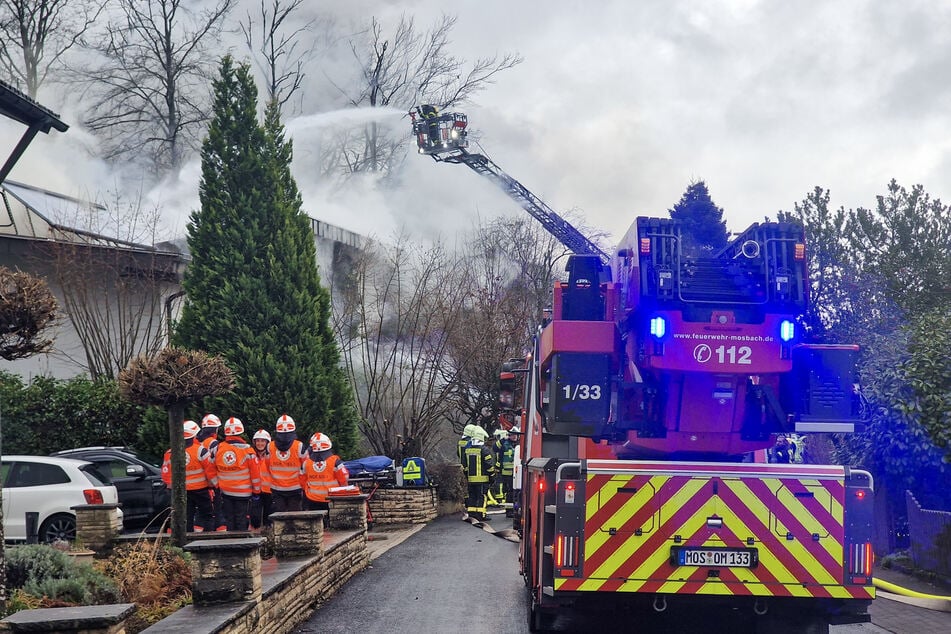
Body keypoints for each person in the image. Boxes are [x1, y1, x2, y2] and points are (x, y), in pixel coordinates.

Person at [161, 420, 218, 532]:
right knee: (207, 516)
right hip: (201, 490)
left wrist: (171, 489)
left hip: (182, 491)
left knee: (187, 517)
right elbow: (210, 470)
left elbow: (165, 473)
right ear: (195, 435)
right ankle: (210, 539)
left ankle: (187, 541)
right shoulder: (201, 451)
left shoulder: (170, 453)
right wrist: (215, 485)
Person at [214, 417, 261, 531]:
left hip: (225, 492)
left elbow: (212, 467)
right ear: (241, 431)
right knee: (241, 520)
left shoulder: (219, 448)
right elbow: (255, 474)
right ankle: (242, 545)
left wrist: (216, 485)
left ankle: (230, 545)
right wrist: (257, 492)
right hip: (243, 493)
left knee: (229, 519)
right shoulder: (248, 450)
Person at [300, 432, 349, 525]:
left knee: (316, 525)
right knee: (331, 525)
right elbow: (344, 477)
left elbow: (302, 481)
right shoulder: (335, 461)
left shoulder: (306, 463)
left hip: (312, 499)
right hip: (331, 498)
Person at [269, 414, 308, 512]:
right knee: (295, 518)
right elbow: (306, 467)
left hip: (277, 488)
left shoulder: (270, 446)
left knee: (279, 519)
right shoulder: (299, 446)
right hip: (295, 488)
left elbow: (267, 465)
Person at [461, 426, 496, 521]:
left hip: (471, 479)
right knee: (481, 497)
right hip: (482, 480)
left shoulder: (467, 449)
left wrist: (467, 476)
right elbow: (489, 465)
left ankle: (472, 514)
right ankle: (481, 515)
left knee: (472, 496)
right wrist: (492, 476)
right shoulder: (484, 450)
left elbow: (464, 465)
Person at [250, 429, 273, 531]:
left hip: (269, 490)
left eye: (263, 441)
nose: (260, 443)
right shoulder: (251, 455)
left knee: (269, 518)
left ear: (267, 442)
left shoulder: (271, 455)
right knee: (255, 517)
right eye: (258, 441)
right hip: (255, 491)